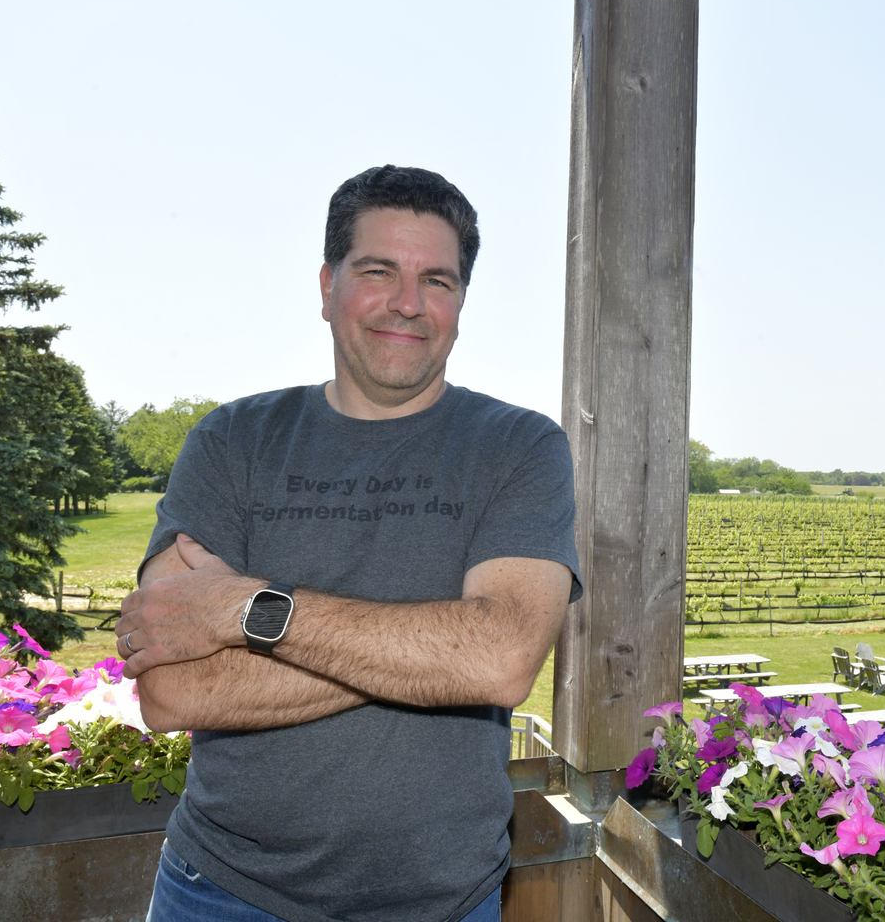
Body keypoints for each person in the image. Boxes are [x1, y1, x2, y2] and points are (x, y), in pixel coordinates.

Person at [115, 165, 580, 922]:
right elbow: (172, 692)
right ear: (327, 286)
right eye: (378, 271)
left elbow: (500, 662)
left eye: (439, 280)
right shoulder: (233, 441)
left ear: (462, 302)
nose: (409, 303)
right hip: (222, 894)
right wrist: (433, 648)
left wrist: (244, 611)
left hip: (444, 904)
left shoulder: (518, 447)